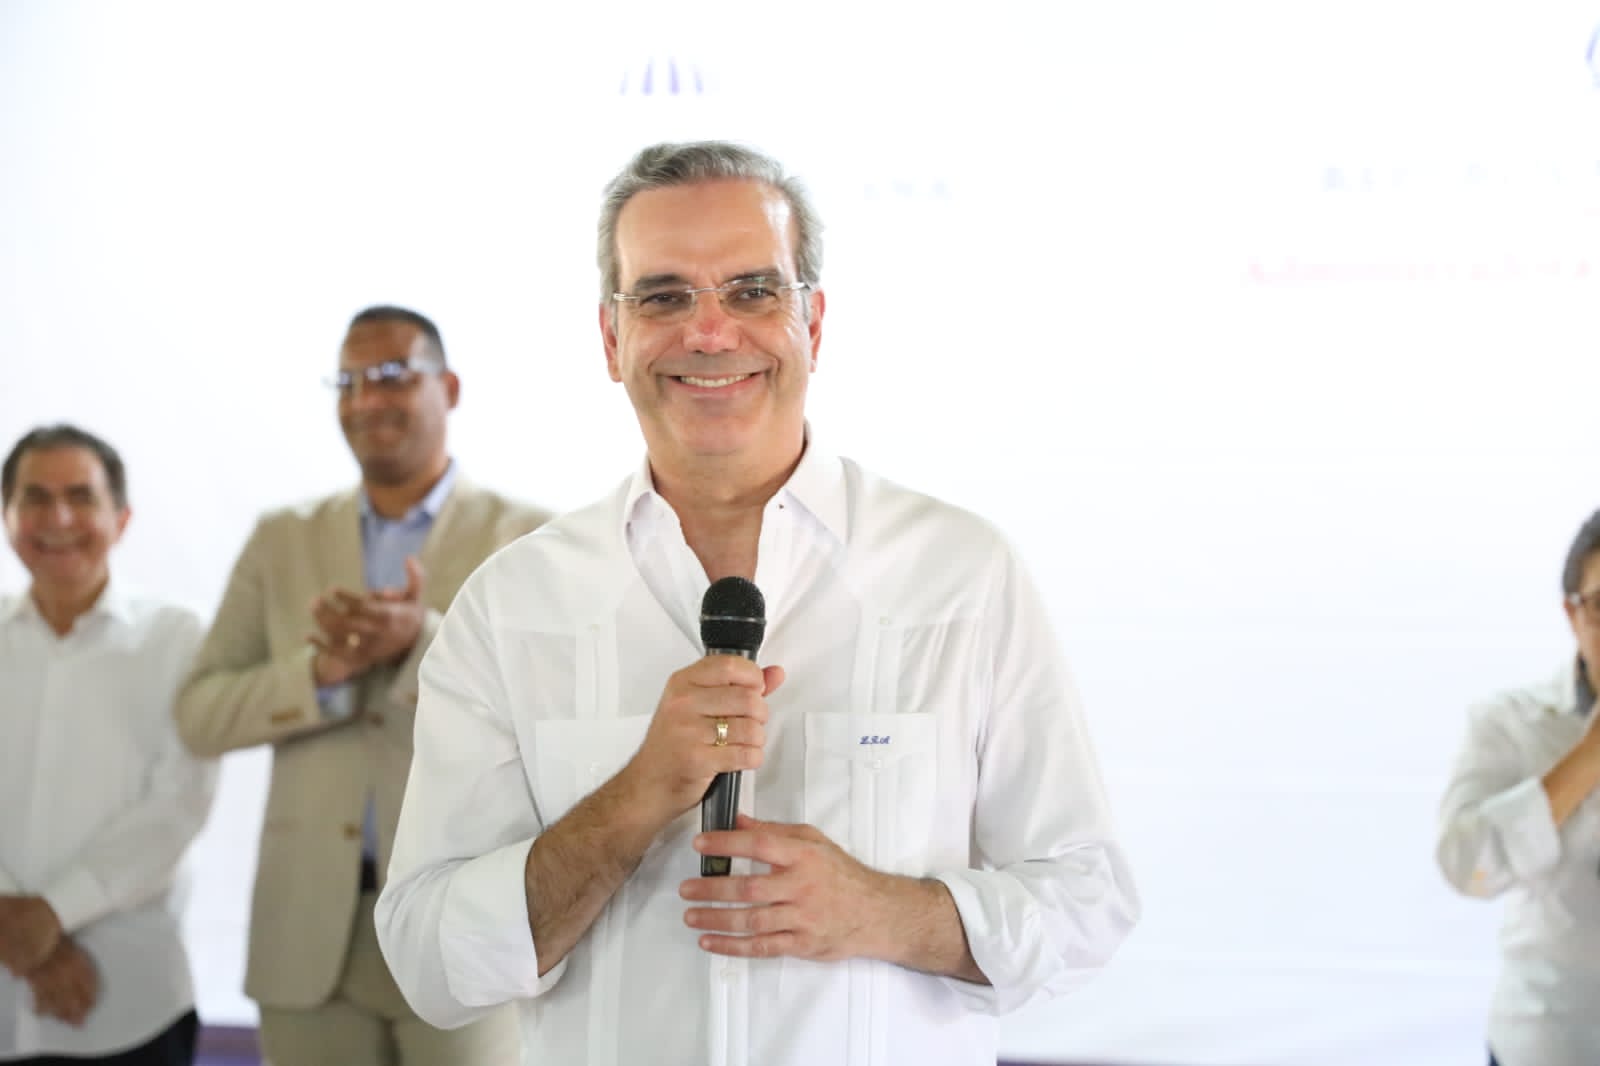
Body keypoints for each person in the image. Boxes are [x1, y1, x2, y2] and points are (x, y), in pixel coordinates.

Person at [375, 141, 1140, 1065]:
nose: (709, 332)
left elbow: (1086, 904)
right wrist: (636, 798)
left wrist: (887, 913)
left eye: (752, 291)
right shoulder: (512, 604)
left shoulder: (960, 575)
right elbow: (428, 961)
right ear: (611, 339)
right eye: (663, 297)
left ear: (812, 322)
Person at [174, 306, 546, 1066]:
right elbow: (200, 715)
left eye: (391, 376)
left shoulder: (527, 538)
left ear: (449, 388)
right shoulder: (282, 539)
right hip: (307, 936)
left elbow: (554, 714)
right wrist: (318, 676)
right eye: (348, 381)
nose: (366, 398)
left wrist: (422, 641)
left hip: (465, 930)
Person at [0, 425, 216, 1065]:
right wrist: (16, 929)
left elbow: (177, 806)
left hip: (130, 995)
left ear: (120, 520)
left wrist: (49, 916)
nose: (59, 518)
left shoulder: (177, 639)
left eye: (81, 497)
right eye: (36, 498)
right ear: (8, 516)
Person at [1437, 508, 1600, 1066]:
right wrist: (1587, 758)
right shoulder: (1509, 721)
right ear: (1572, 614)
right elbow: (1465, 866)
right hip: (1553, 1039)